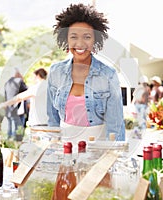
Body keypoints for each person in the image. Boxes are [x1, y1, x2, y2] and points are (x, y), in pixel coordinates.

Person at [47, 3, 125, 142]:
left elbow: (116, 125)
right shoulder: (55, 72)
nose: (80, 43)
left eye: (87, 37)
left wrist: (113, 157)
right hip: (64, 150)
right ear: (66, 39)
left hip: (98, 149)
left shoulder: (108, 75)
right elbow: (52, 121)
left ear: (95, 39)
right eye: (74, 37)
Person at [3, 69, 28, 139]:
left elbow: (6, 96)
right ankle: (15, 145)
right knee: (17, 132)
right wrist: (22, 79)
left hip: (9, 110)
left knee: (10, 130)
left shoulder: (7, 83)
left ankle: (8, 144)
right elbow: (27, 91)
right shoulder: (20, 82)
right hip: (18, 110)